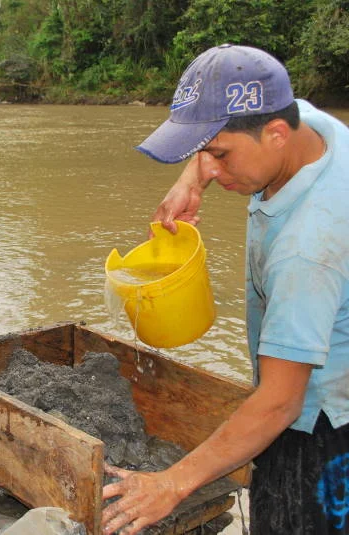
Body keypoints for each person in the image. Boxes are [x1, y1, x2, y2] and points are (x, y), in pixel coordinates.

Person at [101, 44, 349, 534]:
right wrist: (190, 179)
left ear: (276, 134)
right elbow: (241, 133)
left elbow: (281, 402)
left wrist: (169, 484)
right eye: (203, 152)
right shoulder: (312, 128)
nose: (211, 167)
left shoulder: (307, 250)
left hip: (321, 430)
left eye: (218, 155)